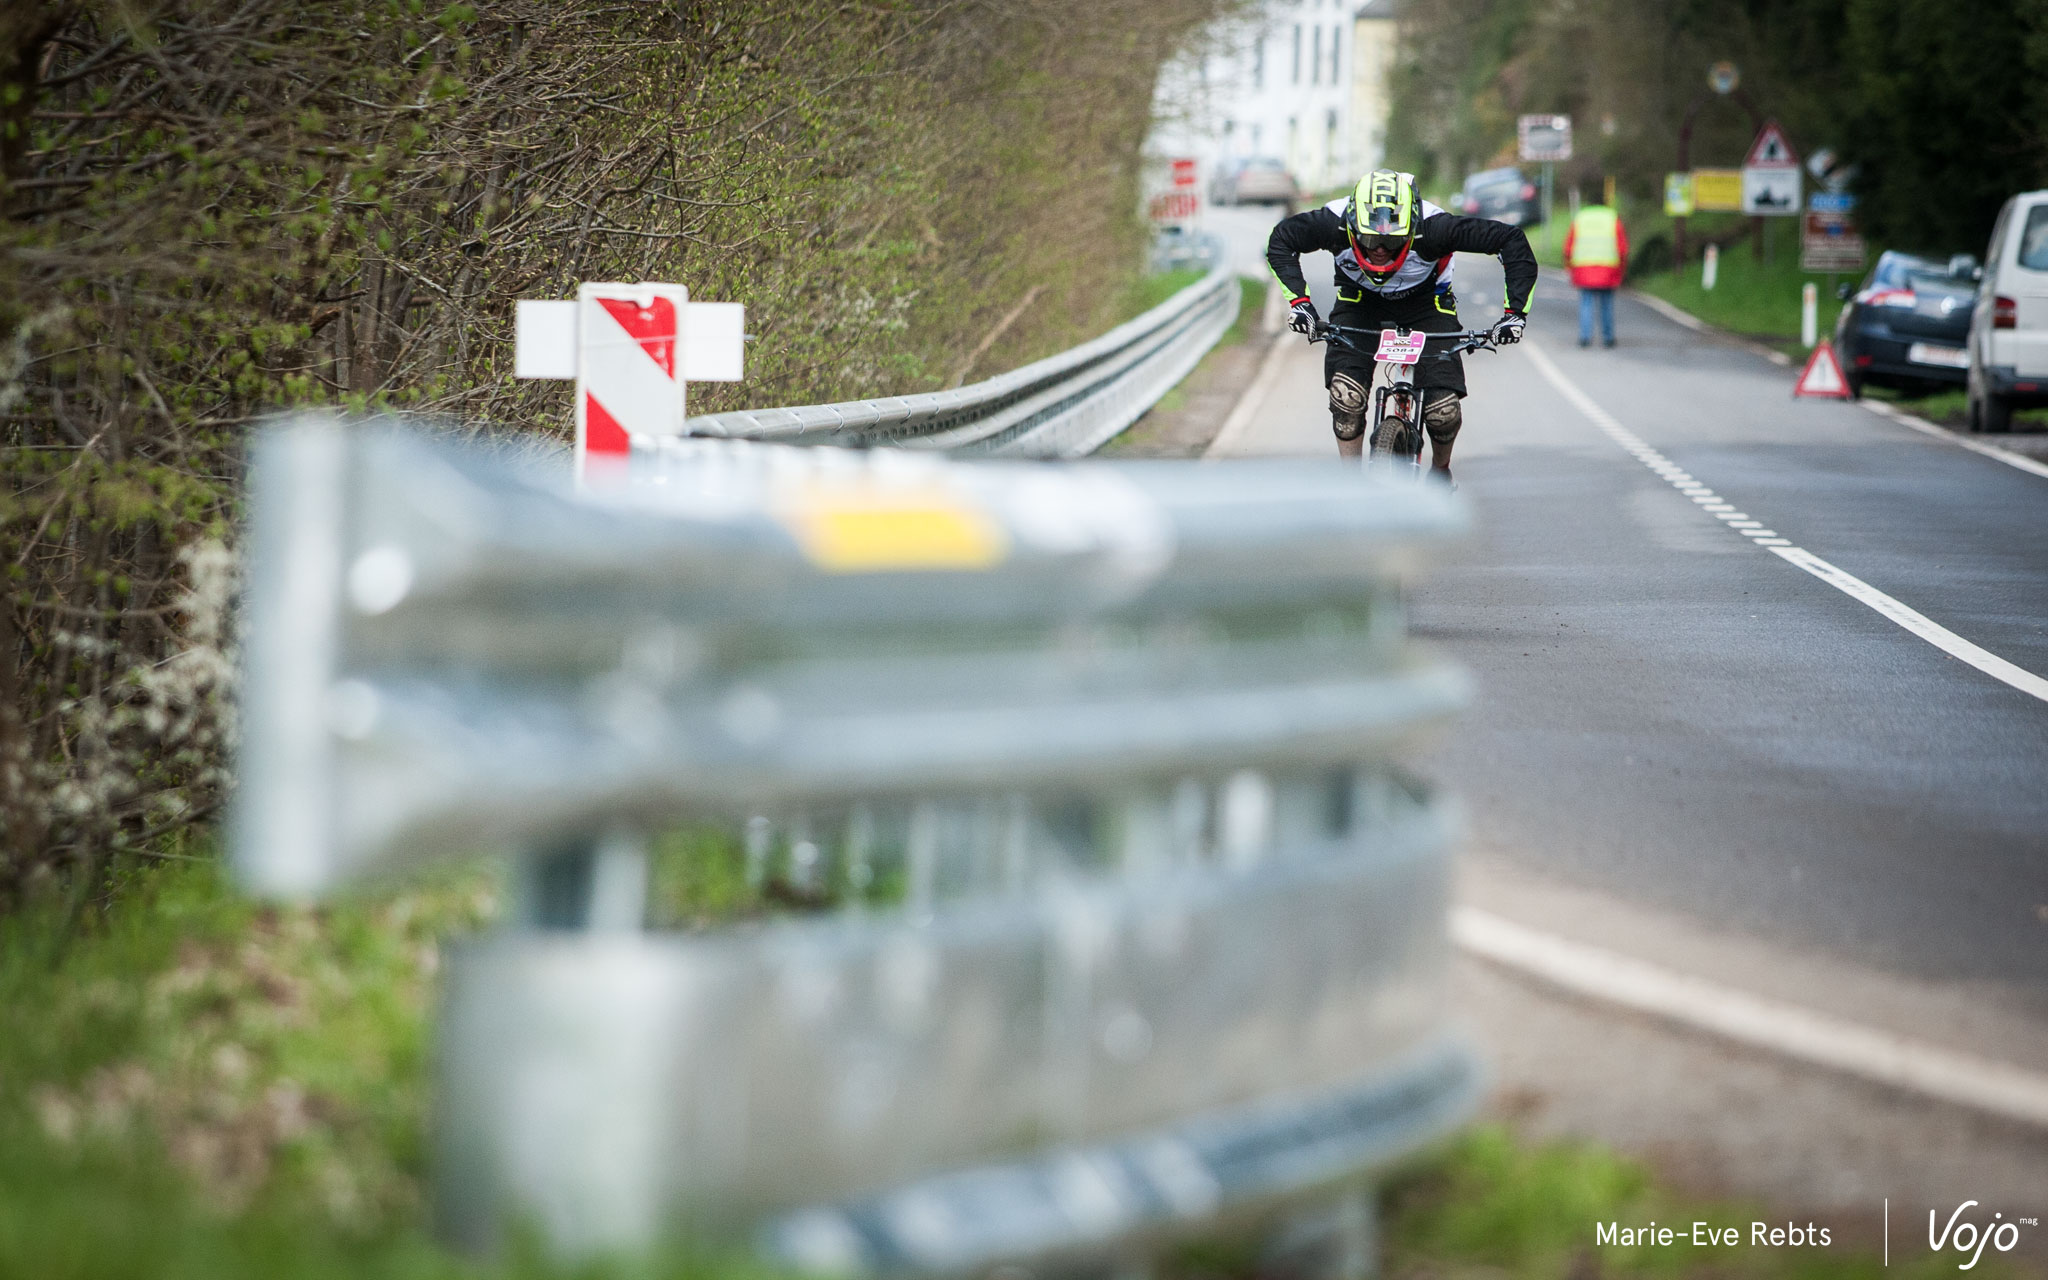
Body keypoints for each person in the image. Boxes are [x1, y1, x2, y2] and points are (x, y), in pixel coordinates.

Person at [1267, 169, 1537, 480]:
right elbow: (1281, 240)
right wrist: (1301, 305)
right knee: (1346, 395)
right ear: (1353, 227)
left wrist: (1514, 314)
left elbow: (1511, 240)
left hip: (1426, 303)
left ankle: (1440, 470)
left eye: (1391, 242)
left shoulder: (1436, 228)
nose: (1380, 249)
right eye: (1370, 240)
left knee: (1442, 410)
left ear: (1410, 230)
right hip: (1359, 300)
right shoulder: (1333, 222)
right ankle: (1350, 485)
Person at [1565, 187, 1629, 348]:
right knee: (1606, 304)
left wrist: (1568, 266)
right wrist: (1622, 268)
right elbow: (1622, 248)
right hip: (1608, 269)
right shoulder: (1612, 217)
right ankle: (1608, 337)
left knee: (1586, 303)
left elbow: (1569, 247)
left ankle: (1585, 337)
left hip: (1584, 268)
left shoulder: (1581, 217)